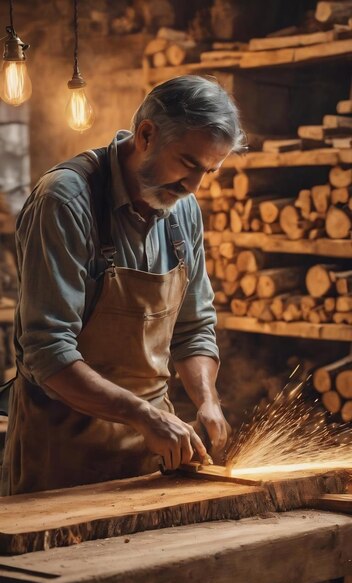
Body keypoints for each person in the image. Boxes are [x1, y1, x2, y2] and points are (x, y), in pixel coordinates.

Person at [0, 75, 245, 497]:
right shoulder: (65, 201)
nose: (194, 187)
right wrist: (144, 416)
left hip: (151, 452)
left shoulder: (182, 209)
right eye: (188, 164)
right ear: (146, 134)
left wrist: (207, 399)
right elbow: (48, 352)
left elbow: (193, 328)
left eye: (209, 171)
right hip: (61, 451)